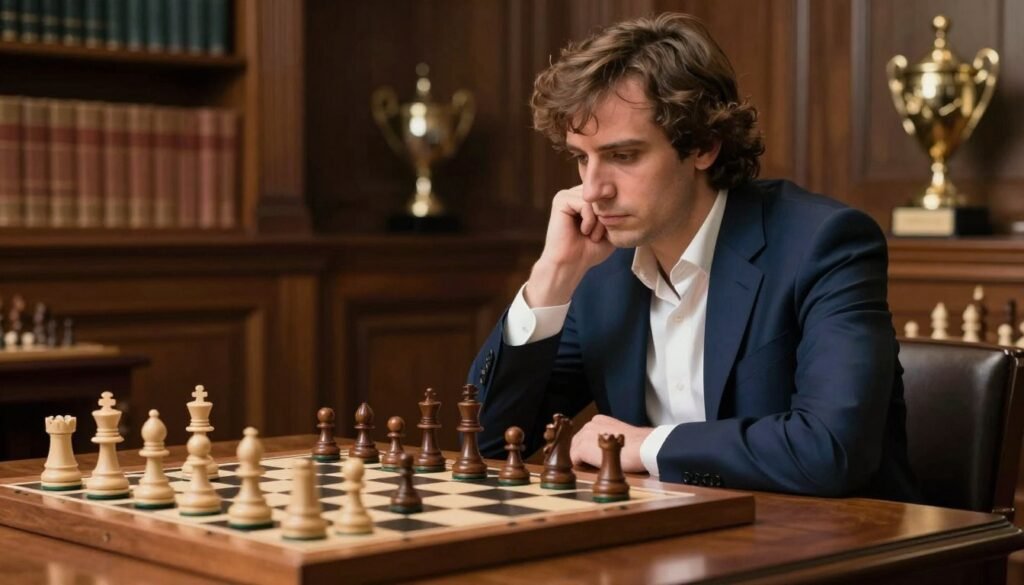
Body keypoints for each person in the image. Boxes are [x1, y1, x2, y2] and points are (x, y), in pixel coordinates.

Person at [466, 13, 919, 501]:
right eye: (582, 157)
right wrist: (552, 276)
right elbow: (489, 440)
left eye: (623, 156)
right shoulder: (602, 270)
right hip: (667, 534)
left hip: (836, 539)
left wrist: (646, 446)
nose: (593, 189)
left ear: (703, 146)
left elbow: (831, 451)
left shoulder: (823, 244)